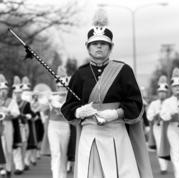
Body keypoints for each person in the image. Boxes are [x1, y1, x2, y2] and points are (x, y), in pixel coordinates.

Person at [61, 9, 153, 178]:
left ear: (111, 47)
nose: (99, 47)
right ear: (87, 47)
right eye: (95, 43)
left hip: (116, 133)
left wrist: (116, 113)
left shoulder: (123, 70)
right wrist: (78, 111)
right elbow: (68, 106)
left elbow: (136, 104)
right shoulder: (79, 74)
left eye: (103, 44)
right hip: (90, 135)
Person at [160, 68, 179, 178]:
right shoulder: (168, 102)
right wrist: (171, 115)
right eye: (175, 87)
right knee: (176, 153)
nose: (177, 88)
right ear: (172, 88)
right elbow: (163, 115)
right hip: (172, 129)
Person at [0, 74, 20, 178]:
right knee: (1, 147)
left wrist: (8, 111)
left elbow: (16, 113)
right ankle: (2, 169)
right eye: (1, 90)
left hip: (8, 124)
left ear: (7, 91)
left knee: (8, 149)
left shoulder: (11, 101)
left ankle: (9, 168)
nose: (3, 92)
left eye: (4, 89)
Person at [47, 65, 70, 178]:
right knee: (56, 153)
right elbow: (40, 107)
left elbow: (66, 109)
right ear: (56, 87)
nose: (62, 89)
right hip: (53, 127)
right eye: (60, 87)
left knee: (63, 154)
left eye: (64, 87)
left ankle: (63, 175)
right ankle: (55, 176)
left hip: (65, 127)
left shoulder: (70, 98)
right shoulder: (51, 97)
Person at [147, 75, 169, 174]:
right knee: (160, 146)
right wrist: (155, 115)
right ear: (158, 93)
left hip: (169, 127)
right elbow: (149, 116)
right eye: (160, 92)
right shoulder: (154, 104)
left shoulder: (170, 102)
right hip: (158, 127)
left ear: (166, 93)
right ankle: (163, 167)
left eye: (164, 92)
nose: (162, 94)